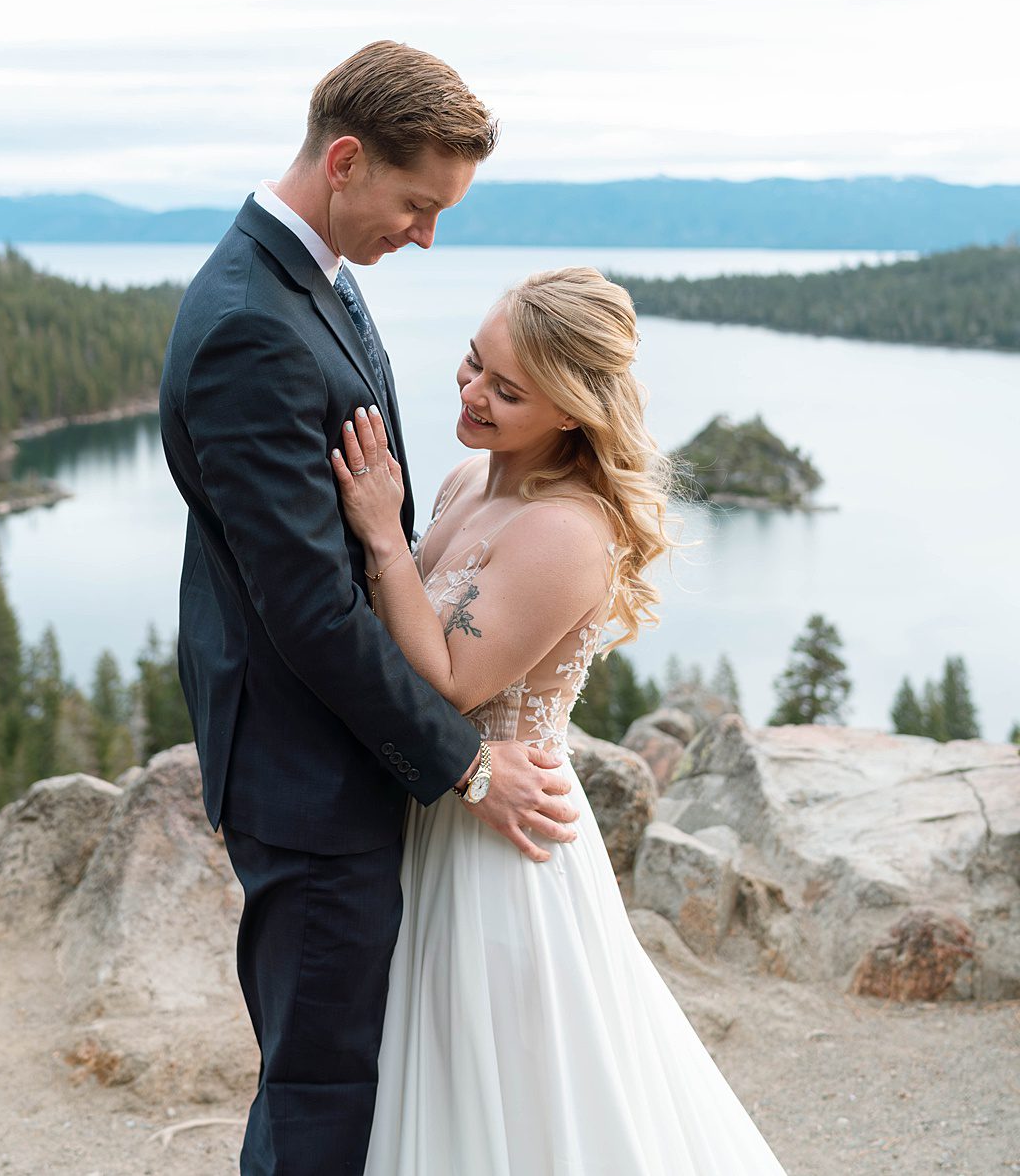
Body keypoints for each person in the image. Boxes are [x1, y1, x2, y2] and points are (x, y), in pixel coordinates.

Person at [159, 41, 581, 1176]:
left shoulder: (318, 277)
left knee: (357, 1067)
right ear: (345, 159)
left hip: (339, 750)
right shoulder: (254, 319)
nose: (427, 235)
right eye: (416, 203)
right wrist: (470, 766)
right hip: (307, 768)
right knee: (323, 1084)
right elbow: (306, 607)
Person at [331, 266, 793, 1176]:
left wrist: (383, 537)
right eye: (473, 365)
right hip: (445, 808)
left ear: (573, 410)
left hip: (504, 847)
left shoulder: (568, 530)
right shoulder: (469, 479)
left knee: (515, 1088)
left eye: (508, 391)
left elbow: (452, 683)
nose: (472, 394)